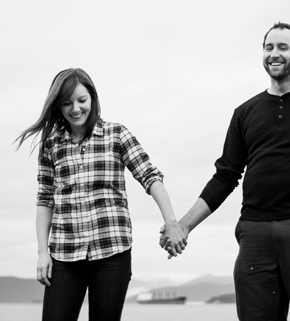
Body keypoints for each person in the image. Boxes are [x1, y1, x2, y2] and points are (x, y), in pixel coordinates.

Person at [161, 22, 290, 321]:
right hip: (254, 235)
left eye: (283, 47)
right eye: (269, 47)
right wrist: (184, 226)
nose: (274, 54)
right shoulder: (244, 112)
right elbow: (226, 176)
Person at [15, 68, 186, 321]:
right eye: (67, 103)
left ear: (93, 98)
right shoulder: (51, 145)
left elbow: (150, 177)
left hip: (112, 253)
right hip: (64, 254)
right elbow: (45, 200)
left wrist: (172, 223)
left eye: (81, 100)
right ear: (58, 106)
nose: (75, 108)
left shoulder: (117, 134)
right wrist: (42, 252)